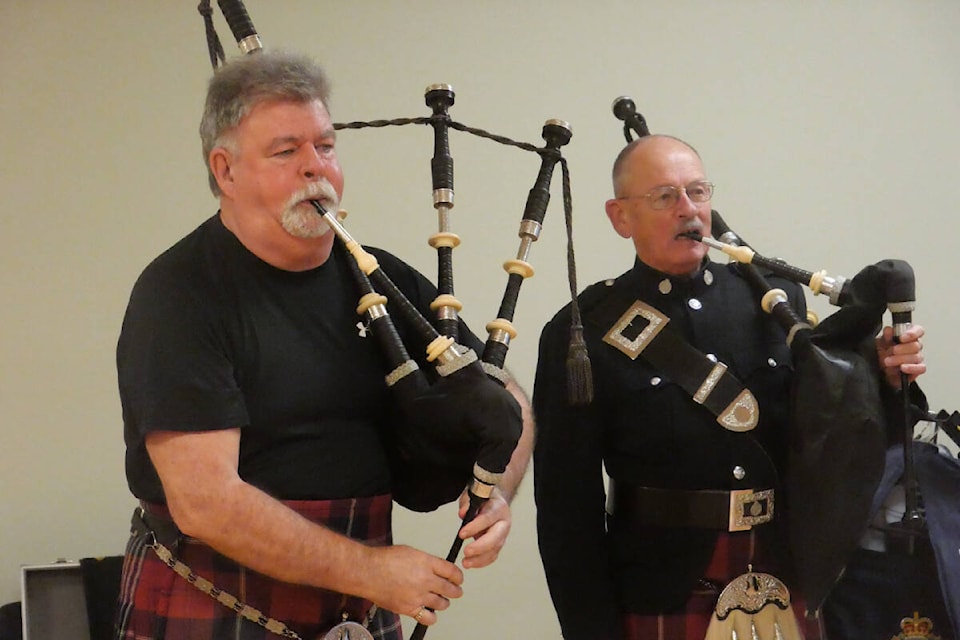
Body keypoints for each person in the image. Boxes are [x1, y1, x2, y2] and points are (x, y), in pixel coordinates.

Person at [114, 49, 533, 640]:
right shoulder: (181, 294)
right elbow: (205, 502)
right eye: (286, 152)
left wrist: (497, 492)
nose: (316, 169)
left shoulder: (379, 278)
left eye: (326, 146)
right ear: (225, 171)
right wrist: (371, 571)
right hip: (216, 595)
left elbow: (505, 393)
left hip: (355, 605)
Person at [532, 134, 926, 639]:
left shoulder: (774, 303)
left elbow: (836, 438)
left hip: (787, 568)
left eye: (697, 192)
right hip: (661, 584)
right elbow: (567, 507)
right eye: (664, 196)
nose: (687, 209)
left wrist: (888, 379)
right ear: (619, 217)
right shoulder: (582, 331)